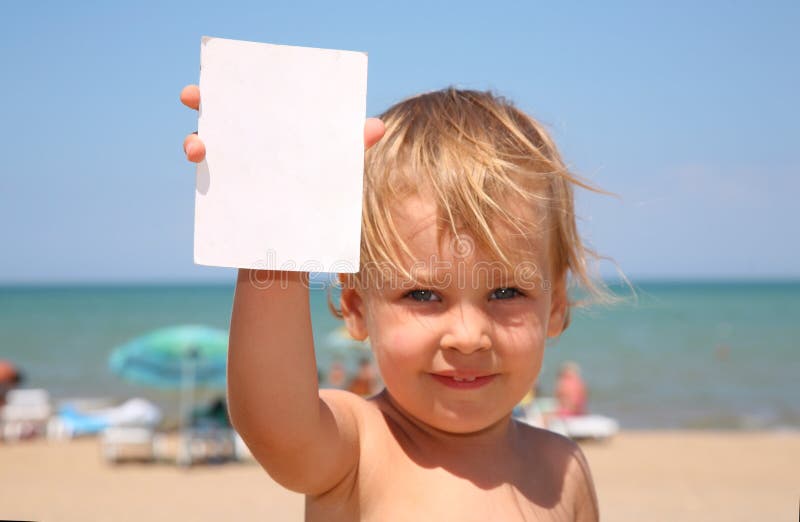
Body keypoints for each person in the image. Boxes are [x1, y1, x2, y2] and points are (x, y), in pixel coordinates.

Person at [181, 84, 611, 520]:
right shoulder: (358, 448)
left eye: (507, 293)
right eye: (422, 294)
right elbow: (274, 425)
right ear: (356, 306)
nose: (468, 337)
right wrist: (274, 220)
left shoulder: (562, 470)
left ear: (556, 304)